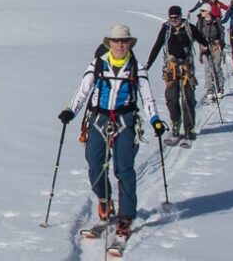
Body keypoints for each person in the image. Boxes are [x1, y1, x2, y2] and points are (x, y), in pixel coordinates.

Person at [58, 24, 164, 242]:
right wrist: (71, 110)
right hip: (99, 118)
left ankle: (125, 218)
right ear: (110, 43)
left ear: (129, 43)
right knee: (94, 162)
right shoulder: (98, 64)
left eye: (124, 41)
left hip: (125, 120)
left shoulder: (136, 68)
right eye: (116, 41)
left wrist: (155, 119)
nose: (120, 45)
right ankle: (104, 199)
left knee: (124, 168)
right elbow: (83, 90)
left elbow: (147, 97)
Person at [145, 5, 207, 142]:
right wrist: (148, 65)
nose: (173, 20)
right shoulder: (166, 29)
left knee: (188, 99)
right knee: (172, 98)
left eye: (176, 17)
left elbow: (202, 39)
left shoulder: (189, 28)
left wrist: (206, 47)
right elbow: (157, 46)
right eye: (171, 18)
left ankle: (189, 129)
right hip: (171, 68)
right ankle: (175, 124)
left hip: (186, 68)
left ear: (180, 16)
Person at [197, 5, 226, 100]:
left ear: (208, 11)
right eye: (201, 11)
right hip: (204, 47)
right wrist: (201, 45)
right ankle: (210, 88)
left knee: (216, 66)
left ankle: (220, 87)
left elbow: (222, 32)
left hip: (215, 46)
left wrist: (221, 42)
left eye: (203, 10)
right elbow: (197, 34)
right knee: (207, 67)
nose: (201, 12)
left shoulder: (216, 21)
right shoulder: (200, 22)